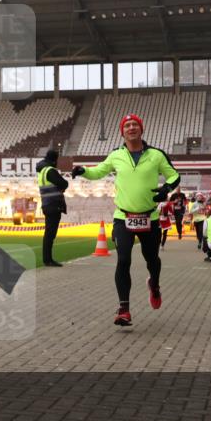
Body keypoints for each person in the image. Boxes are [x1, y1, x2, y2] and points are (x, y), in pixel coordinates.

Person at [71, 113, 180, 327]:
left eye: (135, 124)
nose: (131, 128)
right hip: (123, 218)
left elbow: (174, 176)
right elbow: (98, 172)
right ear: (122, 131)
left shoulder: (157, 155)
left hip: (150, 217)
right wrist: (83, 170)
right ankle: (124, 309)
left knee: (152, 260)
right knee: (123, 261)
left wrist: (165, 190)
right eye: (127, 125)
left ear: (141, 129)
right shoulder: (116, 156)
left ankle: (154, 285)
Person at [36, 148, 69, 266]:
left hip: (46, 204)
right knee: (50, 233)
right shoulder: (50, 171)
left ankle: (47, 259)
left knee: (49, 233)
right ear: (55, 159)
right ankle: (48, 260)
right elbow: (64, 183)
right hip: (54, 205)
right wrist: (62, 188)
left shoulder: (42, 171)